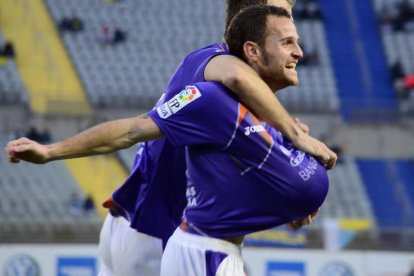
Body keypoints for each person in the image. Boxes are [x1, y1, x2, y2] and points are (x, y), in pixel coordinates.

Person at [5, 1, 336, 276]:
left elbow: (237, 183)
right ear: (251, 30)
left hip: (138, 224)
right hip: (156, 231)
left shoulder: (255, 107)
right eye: (282, 17)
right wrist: (49, 151)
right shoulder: (215, 68)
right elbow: (133, 129)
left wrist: (287, 200)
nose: (297, 43)